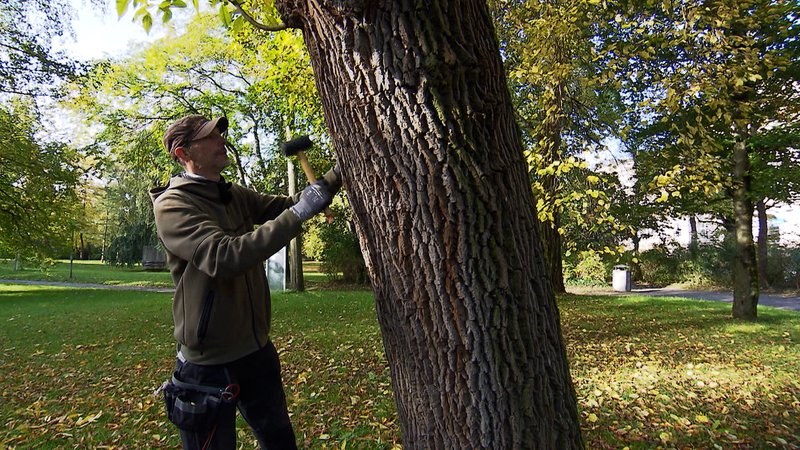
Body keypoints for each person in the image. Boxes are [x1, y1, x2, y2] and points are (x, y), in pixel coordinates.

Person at [150, 114, 341, 449]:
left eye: (220, 133)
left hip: (256, 352)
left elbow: (288, 206)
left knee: (280, 442)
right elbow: (225, 257)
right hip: (208, 365)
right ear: (183, 153)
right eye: (210, 137)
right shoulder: (173, 204)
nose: (222, 140)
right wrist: (300, 213)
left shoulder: (231, 193)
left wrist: (335, 177)